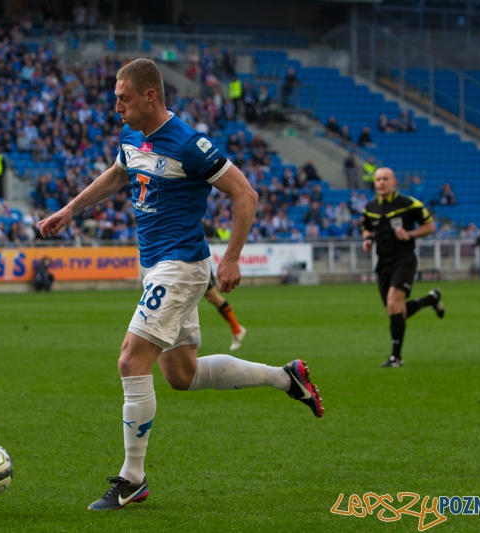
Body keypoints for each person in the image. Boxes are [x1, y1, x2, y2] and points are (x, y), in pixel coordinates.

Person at [38, 58, 323, 512]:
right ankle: (284, 377)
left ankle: (133, 479)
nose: (116, 107)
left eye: (123, 98)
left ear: (150, 96)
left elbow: (245, 194)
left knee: (131, 360)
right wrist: (70, 209)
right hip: (155, 267)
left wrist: (231, 258)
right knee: (181, 375)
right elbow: (117, 173)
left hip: (181, 267)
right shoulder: (133, 135)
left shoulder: (190, 144)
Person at [361, 167, 445, 368]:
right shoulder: (370, 207)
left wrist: (411, 234)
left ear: (394, 181)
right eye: (378, 179)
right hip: (383, 263)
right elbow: (367, 228)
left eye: (385, 179)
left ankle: (395, 358)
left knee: (393, 303)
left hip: (404, 259)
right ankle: (431, 299)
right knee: (396, 311)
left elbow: (430, 226)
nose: (381, 182)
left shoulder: (409, 204)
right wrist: (367, 241)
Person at [204, 271, 246, 350]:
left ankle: (237, 329)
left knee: (212, 296)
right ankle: (237, 329)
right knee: (211, 297)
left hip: (196, 264)